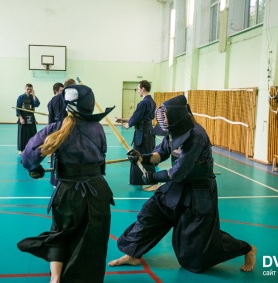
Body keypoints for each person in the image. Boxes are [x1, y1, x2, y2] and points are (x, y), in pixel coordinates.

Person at [108, 95, 256, 274]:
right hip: (176, 186)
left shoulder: (197, 136)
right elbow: (160, 154)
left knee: (198, 244)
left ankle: (247, 248)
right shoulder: (172, 130)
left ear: (177, 116)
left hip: (198, 191)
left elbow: (178, 171)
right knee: (150, 214)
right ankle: (133, 254)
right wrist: (142, 157)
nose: (164, 123)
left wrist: (153, 177)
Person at [17, 84, 115, 283]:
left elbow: (28, 157)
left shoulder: (57, 128)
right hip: (99, 191)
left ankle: (55, 278)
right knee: (94, 238)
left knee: (60, 233)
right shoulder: (99, 129)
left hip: (69, 192)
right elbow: (102, 154)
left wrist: (34, 167)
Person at [115, 80, 156, 187]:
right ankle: (150, 178)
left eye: (138, 89)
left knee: (137, 156)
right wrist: (122, 119)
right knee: (148, 155)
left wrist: (127, 125)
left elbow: (136, 118)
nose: (138, 91)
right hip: (149, 133)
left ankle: (140, 180)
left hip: (142, 135)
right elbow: (139, 117)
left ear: (143, 89)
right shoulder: (152, 101)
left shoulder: (143, 103)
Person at [16, 83, 40, 154]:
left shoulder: (32, 97)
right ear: (25, 89)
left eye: (31, 89)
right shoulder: (20, 97)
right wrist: (21, 118)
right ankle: (21, 149)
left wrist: (34, 95)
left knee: (32, 134)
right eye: (28, 89)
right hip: (23, 117)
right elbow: (17, 109)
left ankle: (32, 147)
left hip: (31, 117)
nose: (29, 90)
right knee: (22, 134)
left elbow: (37, 104)